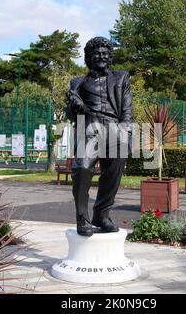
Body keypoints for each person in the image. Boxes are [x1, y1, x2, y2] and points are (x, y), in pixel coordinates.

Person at [66, 36, 133, 236]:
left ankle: (101, 215)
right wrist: (74, 106)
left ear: (110, 56)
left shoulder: (121, 78)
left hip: (114, 126)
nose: (101, 56)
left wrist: (126, 134)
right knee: (82, 169)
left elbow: (127, 110)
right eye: (96, 54)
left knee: (113, 172)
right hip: (89, 126)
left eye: (105, 53)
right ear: (89, 58)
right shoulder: (77, 83)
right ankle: (82, 218)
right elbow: (71, 115)